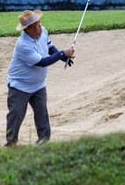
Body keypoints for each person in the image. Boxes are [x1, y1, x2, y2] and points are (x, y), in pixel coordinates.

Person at [5, 9, 75, 146]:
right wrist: (62, 54)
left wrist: (64, 58)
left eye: (39, 22)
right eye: (36, 25)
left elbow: (50, 47)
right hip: (20, 85)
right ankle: (11, 142)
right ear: (28, 29)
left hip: (38, 85)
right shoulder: (23, 45)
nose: (40, 26)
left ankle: (44, 142)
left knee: (42, 113)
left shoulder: (42, 31)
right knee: (16, 114)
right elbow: (42, 62)